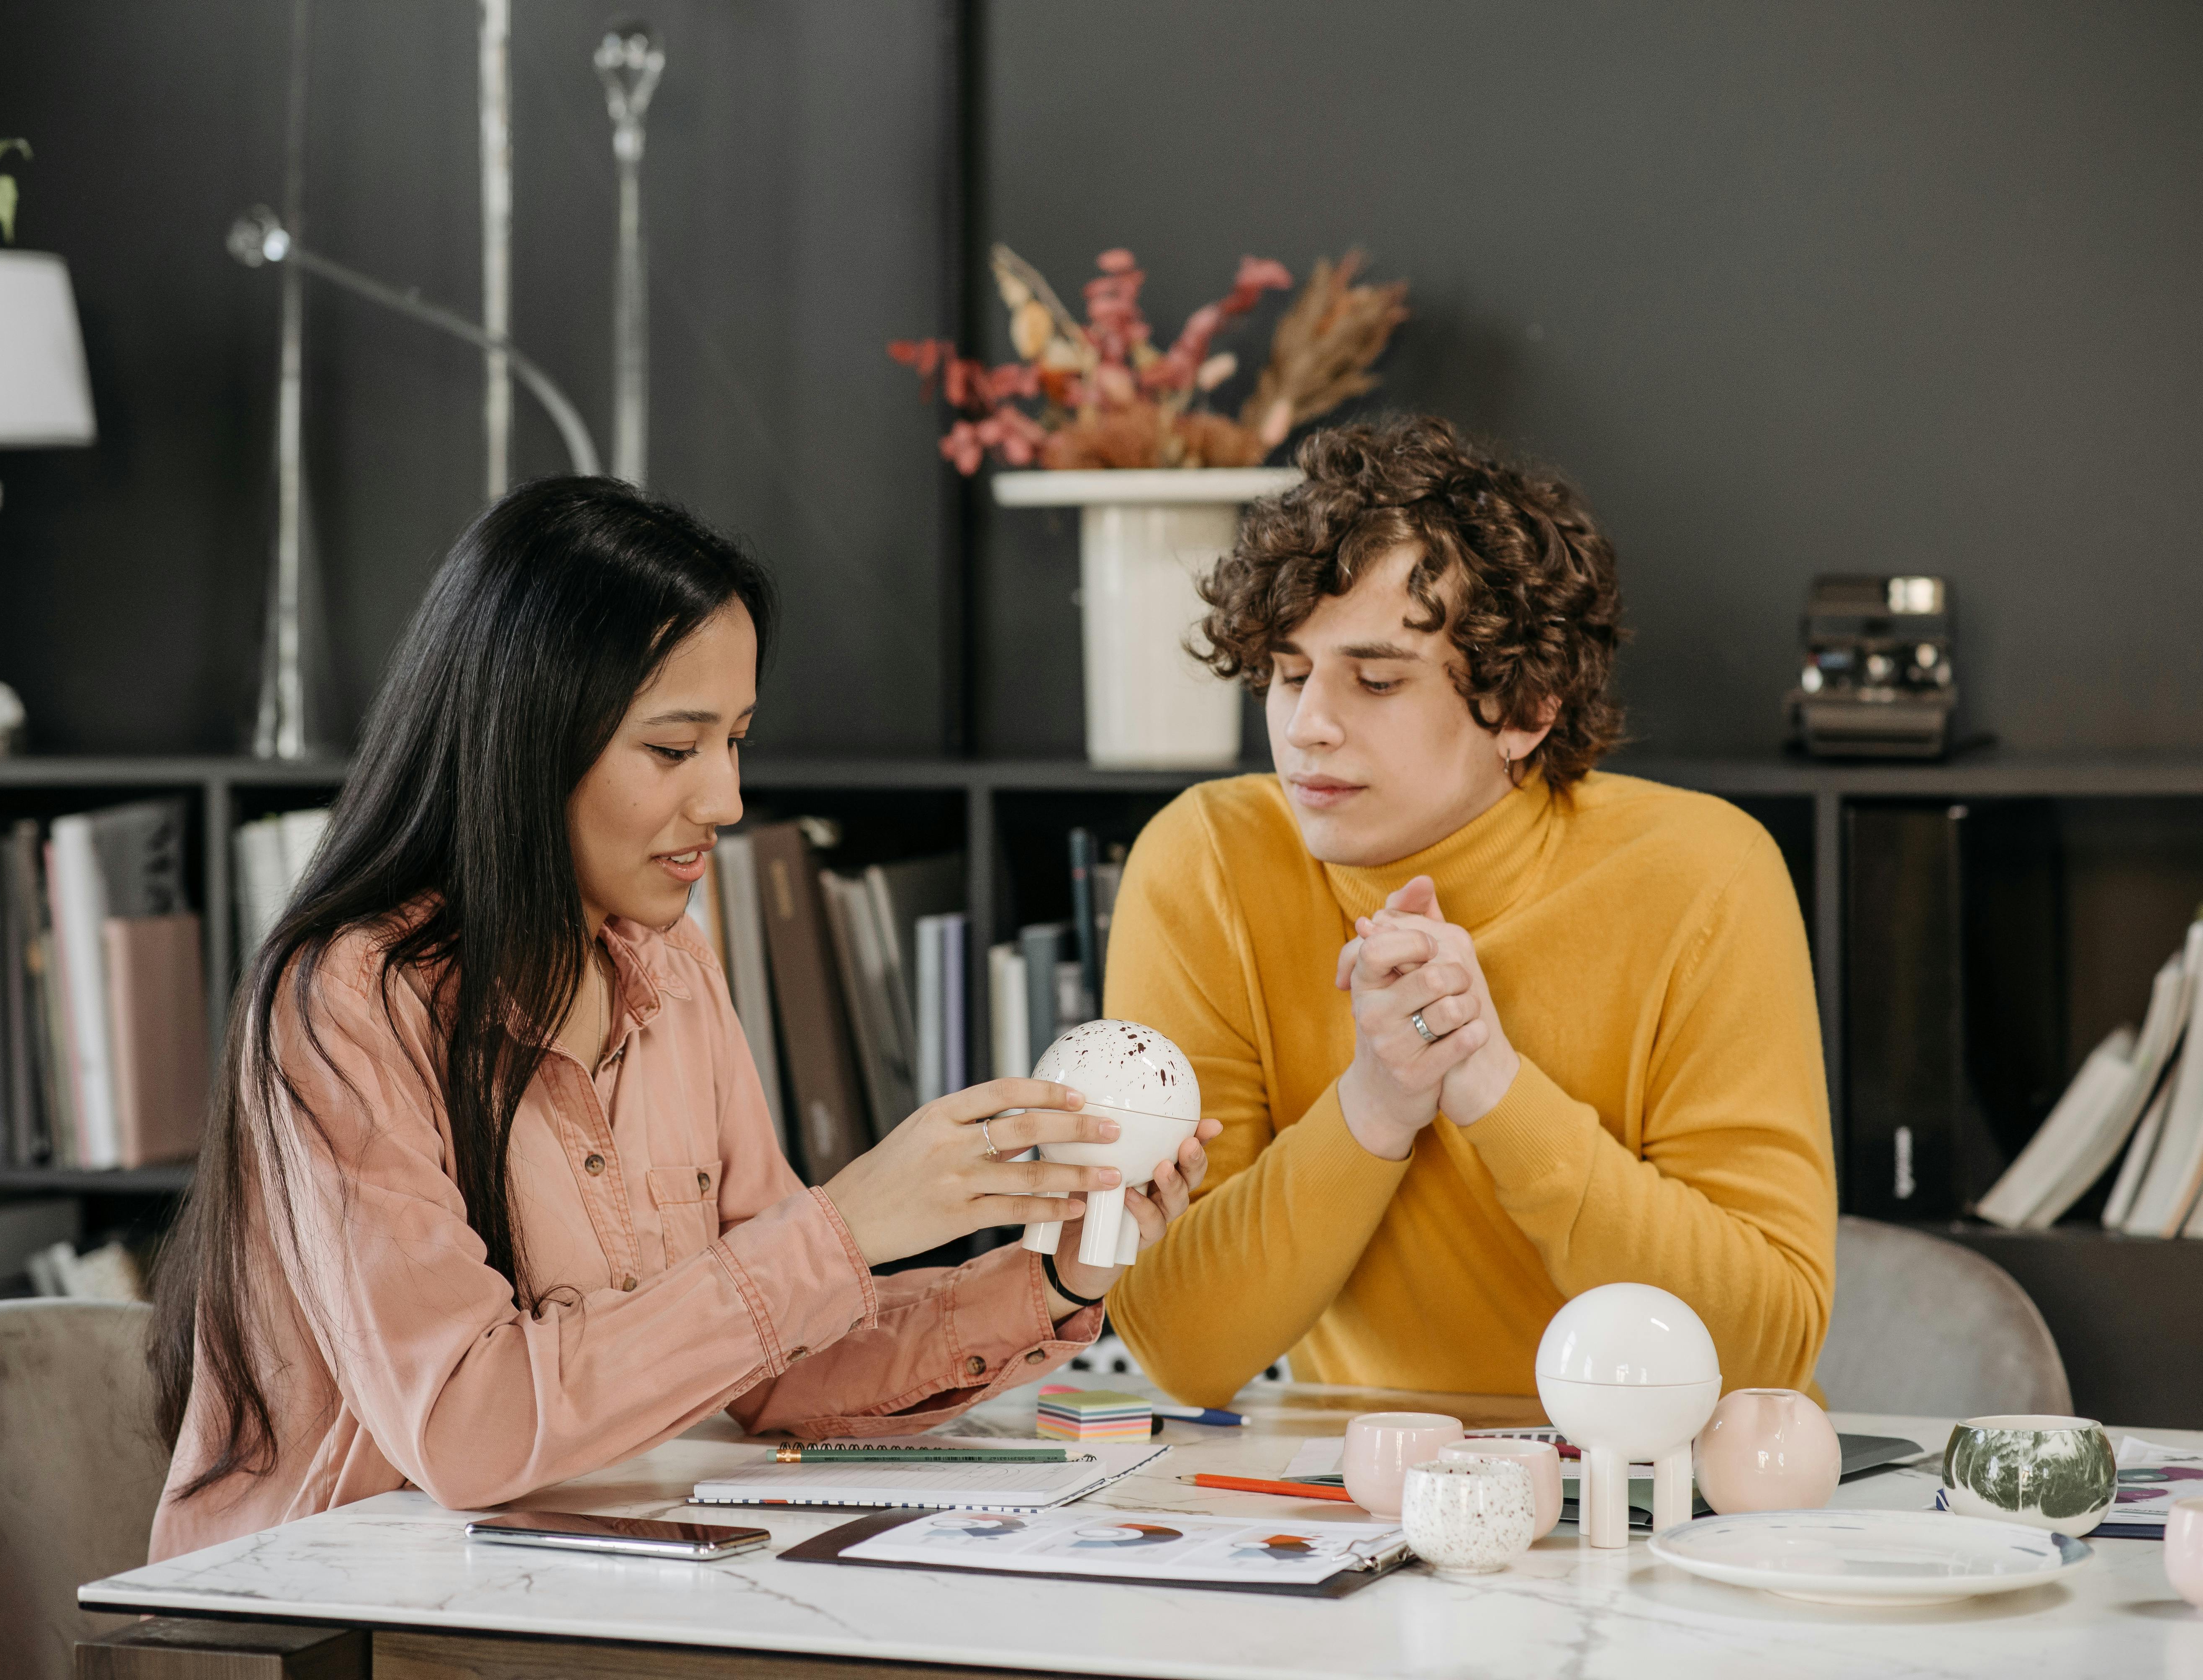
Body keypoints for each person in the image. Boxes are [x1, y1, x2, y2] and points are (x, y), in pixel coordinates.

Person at [146, 479, 1219, 1558]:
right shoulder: (346, 1001)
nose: (727, 800)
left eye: (737, 740)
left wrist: (1052, 1272)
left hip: (573, 1591)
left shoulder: (673, 969)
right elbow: (468, 1432)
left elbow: (774, 1364)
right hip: (326, 1614)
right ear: (528, 743)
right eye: (673, 750)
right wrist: (844, 1230)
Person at [1103, 417, 1834, 1406]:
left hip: (1672, 1499)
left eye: (1374, 680)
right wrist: (1375, 1102)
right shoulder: (1207, 865)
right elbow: (1183, 1350)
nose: (1307, 726)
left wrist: (1486, 1079)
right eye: (1285, 673)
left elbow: (1764, 1351)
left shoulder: (1704, 875)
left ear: (1525, 707)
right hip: (1369, 1501)